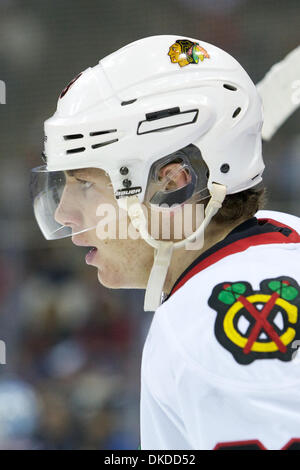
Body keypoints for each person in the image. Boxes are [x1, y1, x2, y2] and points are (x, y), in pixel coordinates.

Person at [30, 35, 300, 450]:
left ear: (174, 183)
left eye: (83, 183)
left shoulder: (211, 319)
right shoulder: (278, 242)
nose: (64, 213)